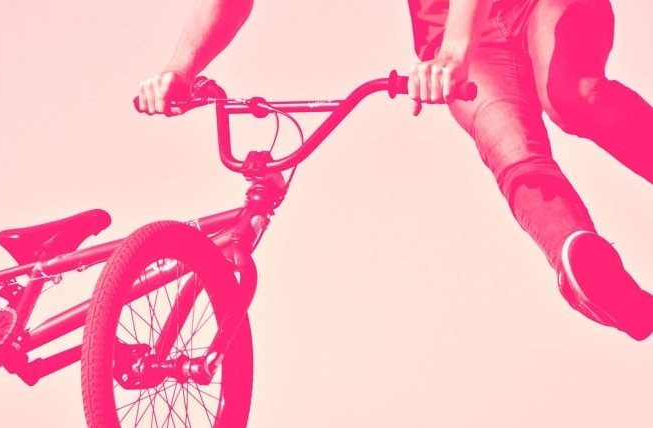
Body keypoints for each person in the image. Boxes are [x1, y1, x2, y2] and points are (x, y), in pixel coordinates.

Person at [136, 0, 653, 340]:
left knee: (572, 96)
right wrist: (180, 69)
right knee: (510, 148)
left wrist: (455, 49)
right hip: (454, 37)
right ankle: (589, 274)